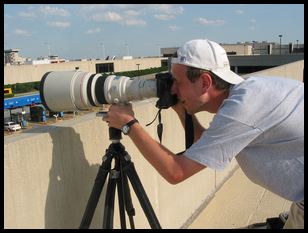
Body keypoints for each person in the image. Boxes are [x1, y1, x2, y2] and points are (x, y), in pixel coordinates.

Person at [103, 39, 304, 229]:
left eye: (177, 82)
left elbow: (176, 172)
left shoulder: (242, 110)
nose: (173, 88)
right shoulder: (247, 93)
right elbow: (205, 147)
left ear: (205, 82)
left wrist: (129, 124)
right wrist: (181, 109)